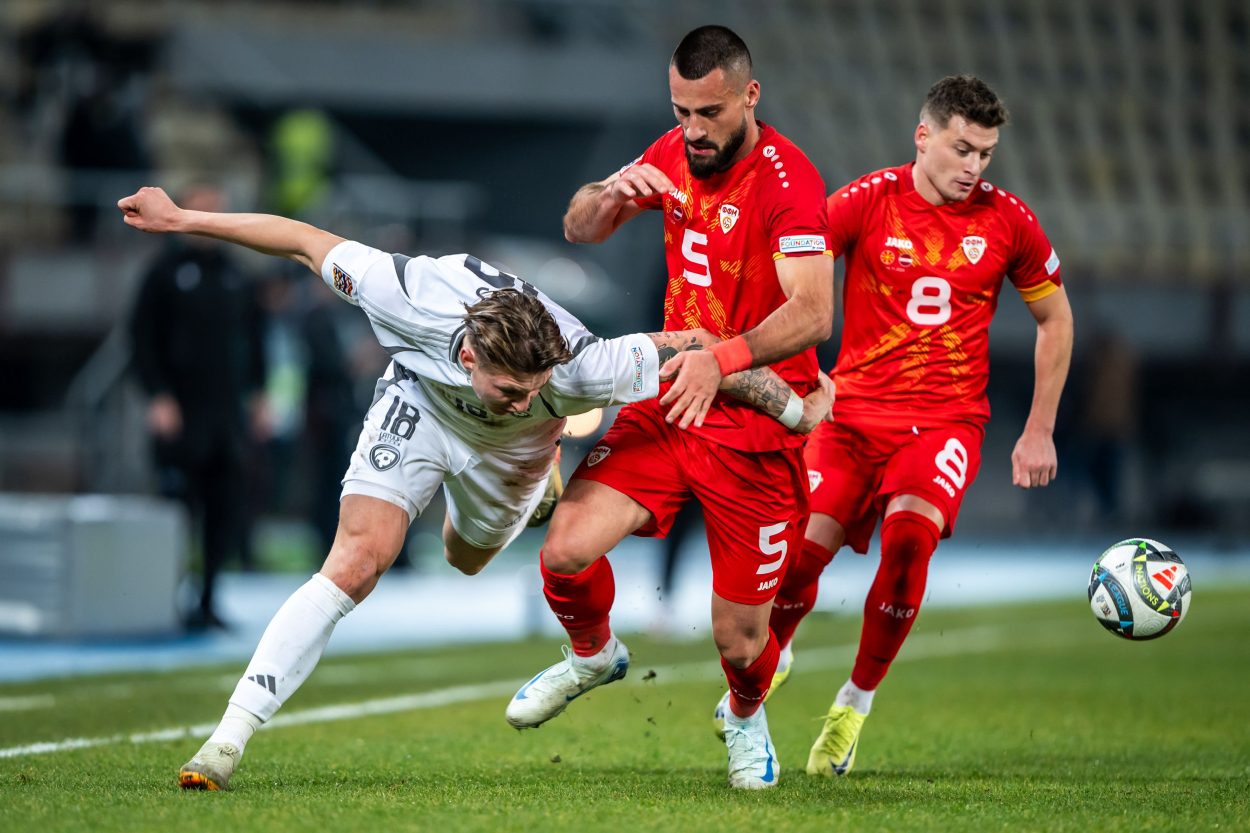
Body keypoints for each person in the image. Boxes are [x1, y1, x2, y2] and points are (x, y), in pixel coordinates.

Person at [114, 185, 831, 791]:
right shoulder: (405, 294)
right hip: (421, 407)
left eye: (533, 387)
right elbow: (301, 239)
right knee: (358, 559)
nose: (522, 394)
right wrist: (184, 220)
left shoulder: (577, 366)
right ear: (467, 352)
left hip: (517, 453)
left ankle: (539, 489)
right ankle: (228, 738)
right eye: (509, 385)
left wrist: (801, 410)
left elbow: (705, 348)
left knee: (466, 555)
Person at [505, 26, 835, 790]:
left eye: (709, 113)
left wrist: (718, 358)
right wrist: (612, 194)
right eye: (681, 110)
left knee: (742, 639)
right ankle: (593, 655)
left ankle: (746, 715)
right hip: (668, 405)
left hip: (754, 422)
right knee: (564, 550)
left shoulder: (789, 182)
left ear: (750, 96)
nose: (694, 131)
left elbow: (814, 312)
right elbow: (577, 227)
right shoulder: (670, 150)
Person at [736, 75, 1074, 777]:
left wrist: (1039, 427)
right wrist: (805, 374)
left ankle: (852, 706)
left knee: (910, 541)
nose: (974, 167)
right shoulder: (865, 201)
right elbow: (791, 278)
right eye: (962, 149)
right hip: (853, 412)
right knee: (800, 556)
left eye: (985, 153)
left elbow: (1056, 319)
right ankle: (773, 656)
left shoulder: (1009, 220)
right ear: (923, 137)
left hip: (946, 421)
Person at [128, 184, 268, 630]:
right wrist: (157, 396)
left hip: (225, 415)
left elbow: (256, 338)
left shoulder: (237, 273)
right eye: (201, 210)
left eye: (216, 210)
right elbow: (141, 340)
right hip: (181, 413)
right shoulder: (164, 272)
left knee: (223, 509)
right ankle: (166, 600)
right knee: (177, 511)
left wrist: (260, 393)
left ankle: (207, 600)